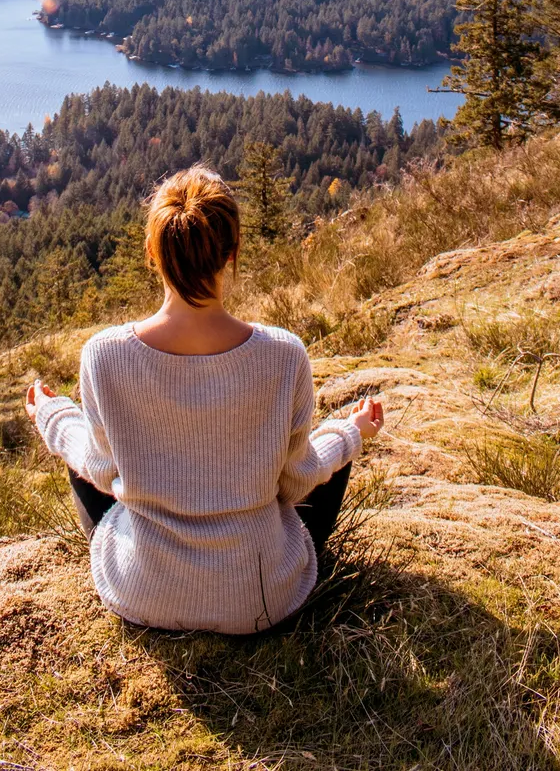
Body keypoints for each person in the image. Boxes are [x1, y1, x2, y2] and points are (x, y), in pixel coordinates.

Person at [26, 164, 383, 634]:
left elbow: (101, 469)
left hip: (145, 590)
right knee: (333, 461)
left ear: (154, 252)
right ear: (232, 253)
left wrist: (52, 415)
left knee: (79, 455)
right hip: (258, 596)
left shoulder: (103, 355)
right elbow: (296, 483)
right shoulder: (283, 355)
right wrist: (351, 434)